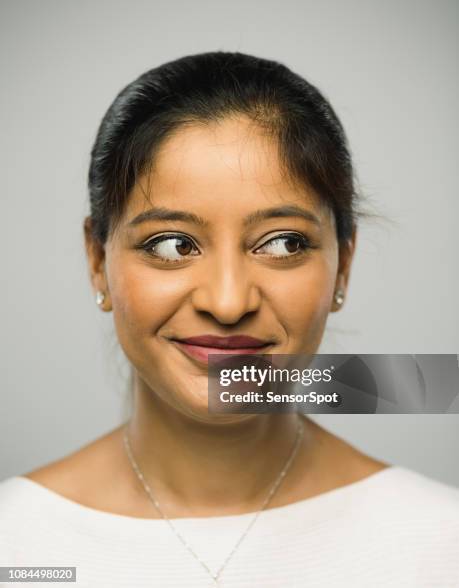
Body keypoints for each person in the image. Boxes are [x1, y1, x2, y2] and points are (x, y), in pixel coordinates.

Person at [1, 51, 458, 588]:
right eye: (171, 245)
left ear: (345, 264)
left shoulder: (441, 541)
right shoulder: (15, 541)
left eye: (283, 243)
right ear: (98, 262)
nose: (226, 302)